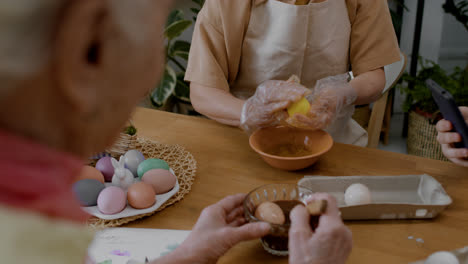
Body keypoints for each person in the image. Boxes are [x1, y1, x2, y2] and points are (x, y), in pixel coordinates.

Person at [0, 0, 351, 263]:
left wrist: (188, 255)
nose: (156, 72)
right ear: (87, 49)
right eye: (157, 32)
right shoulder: (32, 244)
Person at [186, 0, 401, 146]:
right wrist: (248, 112)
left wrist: (343, 93)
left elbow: (373, 76)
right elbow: (203, 90)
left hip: (331, 140)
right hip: (245, 141)